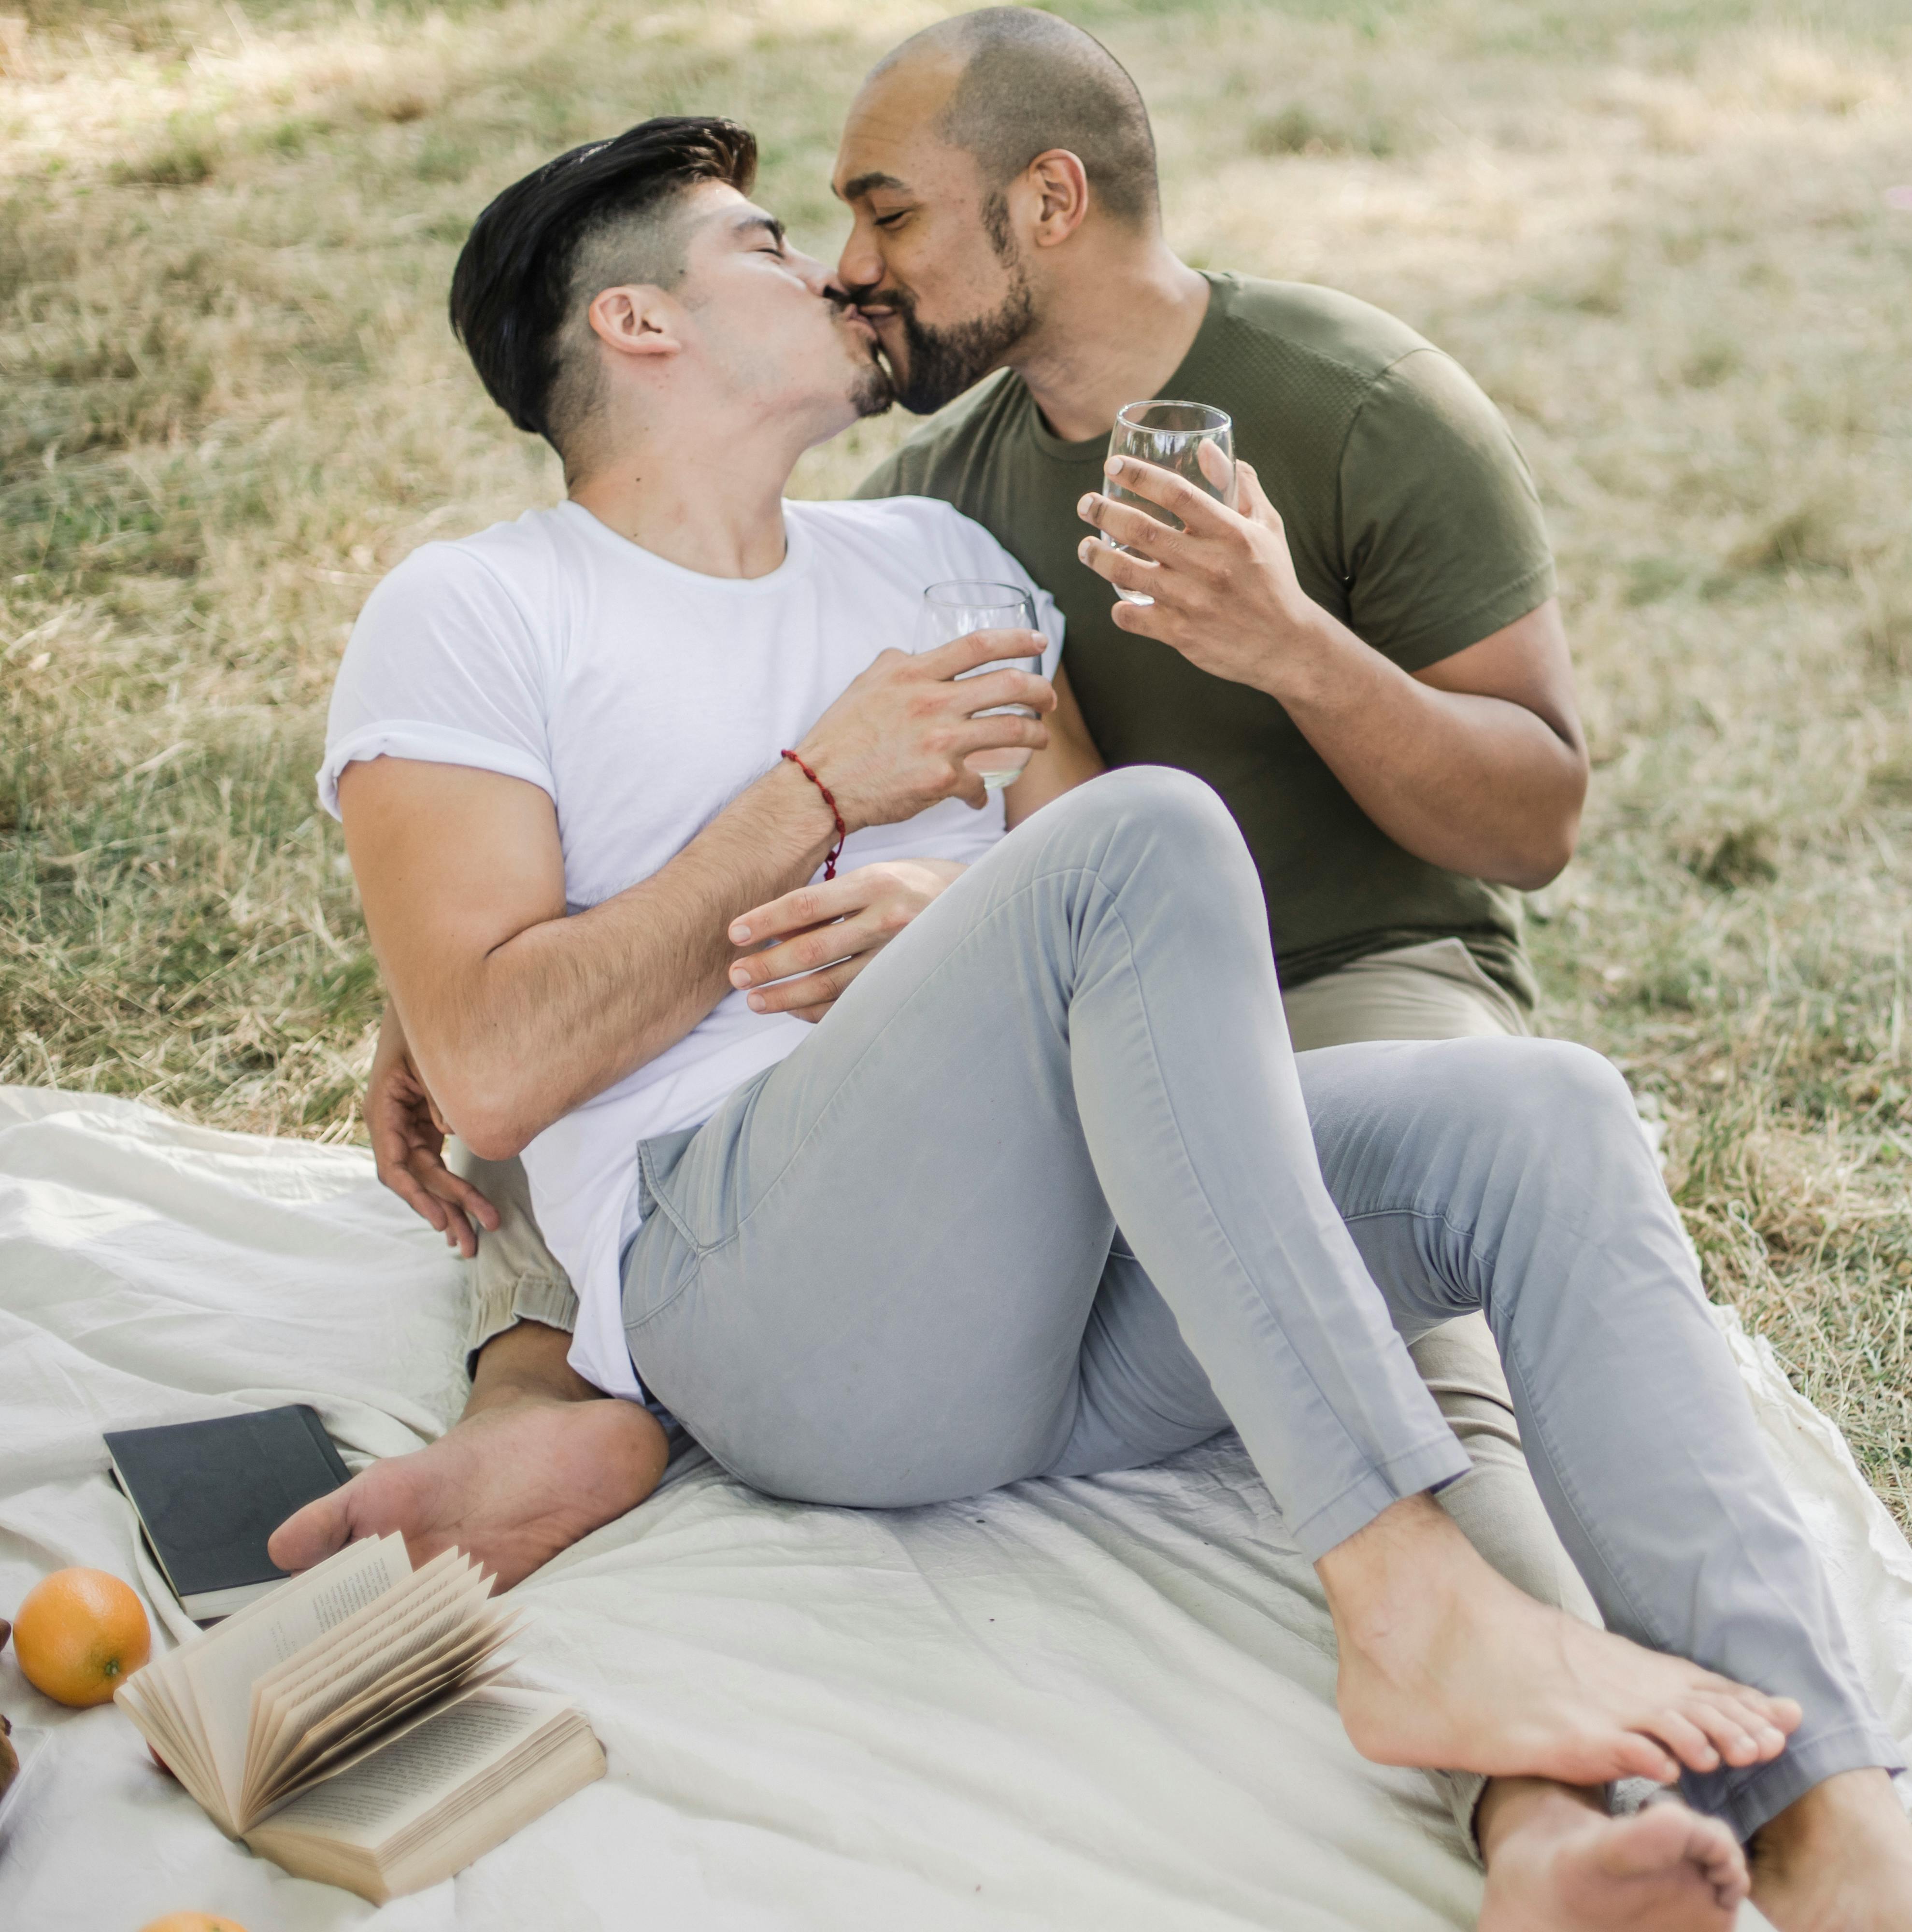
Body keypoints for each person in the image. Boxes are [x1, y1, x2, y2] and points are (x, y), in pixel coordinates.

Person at [288, 113, 1912, 1932]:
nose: (839, 271)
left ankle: (1831, 1826)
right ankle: (1403, 1593)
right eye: (773, 242)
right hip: (774, 1304)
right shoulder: (476, 612)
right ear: (638, 326)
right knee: (1153, 837)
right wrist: (815, 790)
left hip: (1070, 1297)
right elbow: (485, 1059)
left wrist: (949, 933)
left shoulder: (932, 566)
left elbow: (1083, 897)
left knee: (1546, 1114)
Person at [358, 2, 1632, 1892]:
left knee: (1485, 1198)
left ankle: (1575, 1799)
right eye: (801, 234)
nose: (851, 269)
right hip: (1035, 1067)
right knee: (1037, 921)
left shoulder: (1352, 402)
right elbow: (629, 903)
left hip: (1350, 958)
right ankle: (543, 1388)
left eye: (879, 213)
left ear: (1046, 203)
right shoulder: (931, 518)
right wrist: (429, 1003)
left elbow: (1536, 821)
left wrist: (1285, 648)